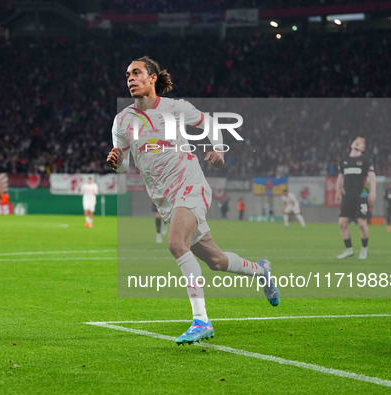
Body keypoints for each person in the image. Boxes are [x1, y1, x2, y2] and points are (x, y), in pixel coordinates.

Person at [106, 56, 279, 346]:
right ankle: (261, 270)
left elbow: (210, 123)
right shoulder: (122, 120)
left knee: (176, 244)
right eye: (127, 75)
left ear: (152, 78)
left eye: (136, 73)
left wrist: (218, 149)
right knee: (217, 261)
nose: (130, 79)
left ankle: (201, 321)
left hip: (190, 184)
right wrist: (116, 162)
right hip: (165, 200)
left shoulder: (175, 108)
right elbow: (123, 165)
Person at [335, 137, 376, 260]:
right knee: (342, 223)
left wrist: (373, 192)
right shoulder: (344, 161)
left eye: (361, 142)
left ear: (363, 148)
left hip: (361, 195)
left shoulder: (366, 161)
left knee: (362, 223)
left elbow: (372, 177)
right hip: (347, 196)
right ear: (351, 144)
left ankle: (364, 249)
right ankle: (349, 250)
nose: (358, 142)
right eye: (356, 141)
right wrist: (338, 191)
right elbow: (340, 177)